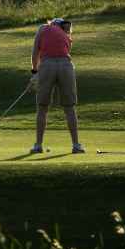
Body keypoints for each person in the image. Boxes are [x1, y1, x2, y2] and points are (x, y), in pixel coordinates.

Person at [30, 16, 84, 155]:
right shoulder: (66, 35)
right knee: (69, 107)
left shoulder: (43, 28)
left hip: (47, 65)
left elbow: (36, 51)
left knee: (42, 107)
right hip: (66, 66)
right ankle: (76, 145)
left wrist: (34, 71)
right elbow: (66, 52)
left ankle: (38, 145)